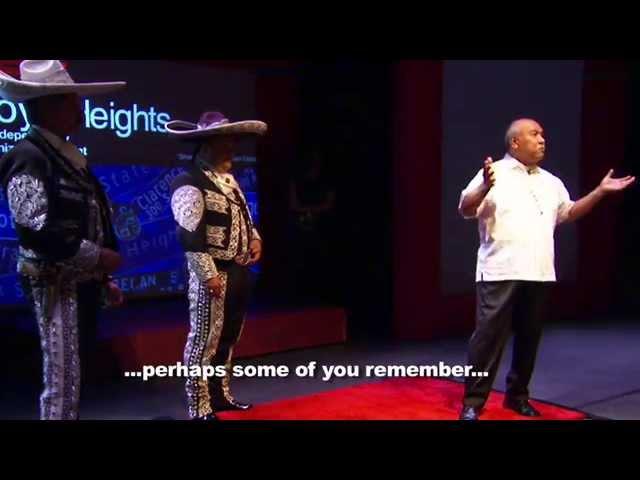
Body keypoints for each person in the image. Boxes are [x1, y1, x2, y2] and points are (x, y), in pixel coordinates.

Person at [458, 118, 635, 420]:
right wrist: (485, 187)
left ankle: (517, 397)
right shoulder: (494, 173)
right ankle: (473, 402)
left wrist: (600, 192)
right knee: (488, 339)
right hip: (501, 269)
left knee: (529, 337)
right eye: (534, 134)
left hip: (539, 271)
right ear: (515, 142)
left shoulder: (550, 181)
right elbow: (466, 207)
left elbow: (568, 212)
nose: (542, 140)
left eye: (542, 135)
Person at [0, 60, 126, 420]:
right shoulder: (28, 155)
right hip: (54, 283)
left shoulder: (65, 156)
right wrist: (97, 257)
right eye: (72, 100)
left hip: (80, 283)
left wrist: (103, 277)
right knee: (62, 378)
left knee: (73, 375)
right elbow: (35, 228)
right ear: (51, 105)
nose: (79, 107)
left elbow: (89, 216)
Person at [167, 111, 266, 420]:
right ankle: (199, 406)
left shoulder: (229, 181)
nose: (233, 147)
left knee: (228, 336)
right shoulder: (188, 181)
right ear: (208, 144)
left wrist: (255, 238)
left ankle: (220, 395)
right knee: (203, 340)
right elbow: (190, 235)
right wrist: (208, 274)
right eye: (226, 141)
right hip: (211, 273)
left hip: (237, 270)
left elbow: (242, 218)